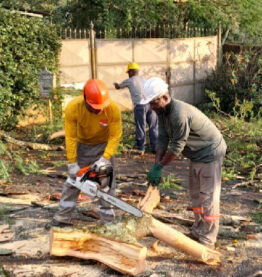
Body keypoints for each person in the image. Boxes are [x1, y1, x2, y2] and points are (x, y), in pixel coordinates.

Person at [141, 77, 227, 249]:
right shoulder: (162, 113)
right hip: (196, 155)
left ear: (165, 98)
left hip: (210, 152)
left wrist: (161, 166)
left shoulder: (178, 113)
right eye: (149, 103)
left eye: (153, 103)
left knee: (208, 196)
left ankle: (208, 239)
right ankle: (199, 229)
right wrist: (156, 165)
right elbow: (163, 139)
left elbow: (177, 146)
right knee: (195, 193)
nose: (151, 107)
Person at [52, 79, 122, 227]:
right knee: (73, 182)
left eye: (101, 107)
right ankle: (62, 218)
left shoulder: (112, 109)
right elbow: (70, 136)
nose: (99, 110)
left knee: (106, 184)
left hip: (103, 147)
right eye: (95, 107)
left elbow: (115, 135)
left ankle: (108, 221)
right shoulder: (74, 107)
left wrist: (105, 157)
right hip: (82, 146)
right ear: (85, 99)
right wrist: (72, 162)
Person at [114, 62, 158, 154]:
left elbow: (118, 87)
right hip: (150, 104)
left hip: (140, 106)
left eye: (128, 73)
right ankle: (156, 148)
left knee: (140, 127)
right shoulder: (143, 79)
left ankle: (141, 148)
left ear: (130, 72)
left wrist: (116, 84)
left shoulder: (130, 80)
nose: (128, 74)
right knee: (153, 126)